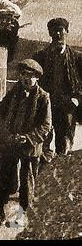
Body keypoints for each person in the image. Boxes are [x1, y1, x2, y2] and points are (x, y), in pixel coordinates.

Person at [0, 59, 52, 228]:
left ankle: (23, 215)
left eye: (30, 76)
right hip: (12, 143)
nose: (25, 79)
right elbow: (2, 110)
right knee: (2, 177)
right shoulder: (15, 92)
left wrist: (28, 138)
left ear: (37, 78)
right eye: (23, 75)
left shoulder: (43, 97)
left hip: (30, 145)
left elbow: (46, 125)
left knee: (27, 181)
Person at [32, 18, 82, 157]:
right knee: (43, 143)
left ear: (67, 32)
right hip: (46, 105)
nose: (58, 34)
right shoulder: (40, 57)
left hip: (67, 106)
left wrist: (77, 99)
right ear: (50, 33)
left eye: (61, 30)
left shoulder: (77, 58)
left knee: (65, 145)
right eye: (54, 31)